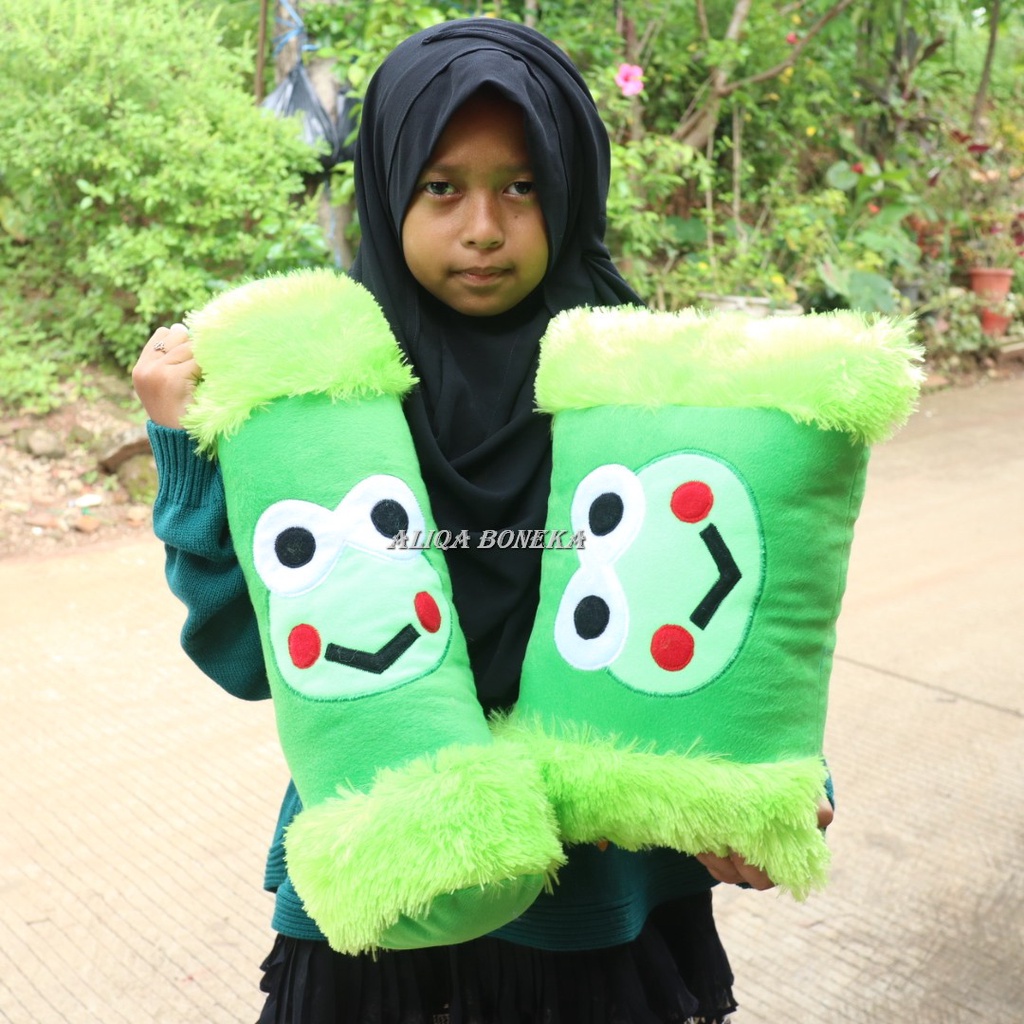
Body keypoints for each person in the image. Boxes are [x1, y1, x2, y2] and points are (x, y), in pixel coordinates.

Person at [134, 18, 830, 1024]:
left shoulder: (641, 398)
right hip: (384, 908)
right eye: (440, 185)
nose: (483, 229)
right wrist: (190, 451)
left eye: (521, 185)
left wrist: (773, 785)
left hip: (597, 916)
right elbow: (250, 658)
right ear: (384, 188)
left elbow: (745, 617)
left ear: (572, 187)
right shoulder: (318, 408)